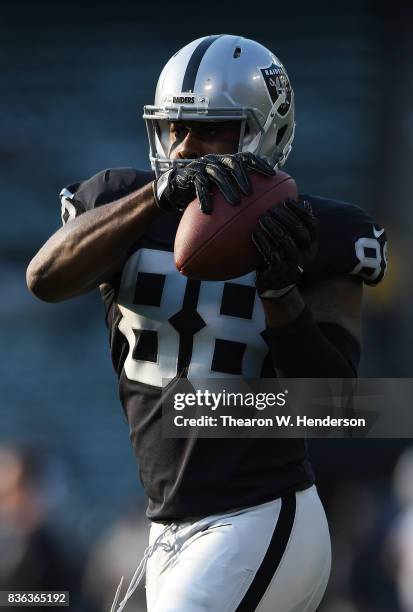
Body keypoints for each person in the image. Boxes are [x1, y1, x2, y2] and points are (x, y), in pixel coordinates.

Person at [26, 34, 387, 612]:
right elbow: (44, 280)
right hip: (164, 527)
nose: (186, 149)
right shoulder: (120, 205)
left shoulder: (319, 230)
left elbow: (336, 403)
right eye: (175, 129)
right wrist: (154, 198)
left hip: (262, 513)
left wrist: (280, 290)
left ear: (266, 132)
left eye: (212, 128)